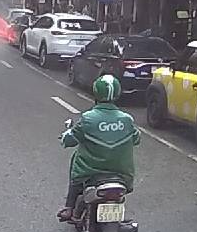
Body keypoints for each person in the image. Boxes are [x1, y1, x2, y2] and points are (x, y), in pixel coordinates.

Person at [57, 75, 141, 221]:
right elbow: (136, 139)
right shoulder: (127, 120)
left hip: (90, 172)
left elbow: (69, 140)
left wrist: (65, 137)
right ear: (118, 93)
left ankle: (69, 207)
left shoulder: (88, 119)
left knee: (75, 162)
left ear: (96, 92)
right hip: (122, 174)